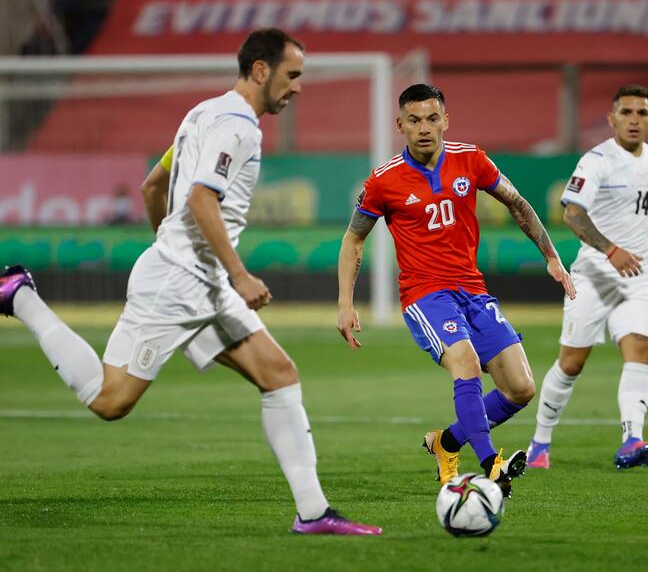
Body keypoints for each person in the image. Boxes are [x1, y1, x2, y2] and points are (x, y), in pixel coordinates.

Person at [0, 28, 381, 536]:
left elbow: (153, 185)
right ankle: (20, 296)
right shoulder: (237, 128)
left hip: (199, 280)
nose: (298, 87)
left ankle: (313, 513)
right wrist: (233, 273)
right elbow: (201, 197)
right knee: (110, 401)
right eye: (293, 75)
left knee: (279, 374)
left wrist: (174, 246)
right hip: (178, 287)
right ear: (261, 70)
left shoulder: (203, 113)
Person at [336, 84, 575, 497]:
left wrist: (551, 255)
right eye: (414, 120)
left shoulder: (471, 159)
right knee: (464, 363)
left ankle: (446, 443)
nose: (424, 128)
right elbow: (354, 239)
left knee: (520, 388)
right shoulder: (383, 180)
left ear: (446, 119)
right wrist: (345, 303)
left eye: (432, 118)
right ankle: (490, 465)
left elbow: (517, 202)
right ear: (400, 125)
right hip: (425, 295)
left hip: (473, 291)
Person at [527, 85, 648, 471]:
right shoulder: (597, 161)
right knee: (571, 363)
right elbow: (572, 213)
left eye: (642, 113)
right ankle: (540, 442)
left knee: (641, 351)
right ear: (612, 119)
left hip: (636, 280)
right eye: (626, 113)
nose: (634, 120)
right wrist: (610, 249)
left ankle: (631, 440)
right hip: (592, 277)